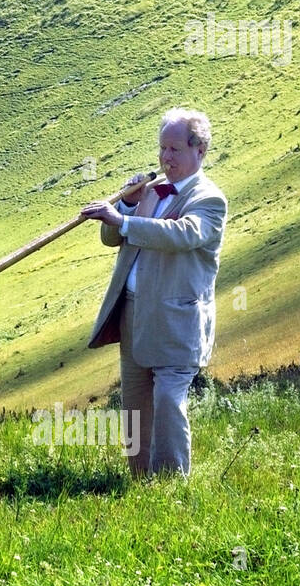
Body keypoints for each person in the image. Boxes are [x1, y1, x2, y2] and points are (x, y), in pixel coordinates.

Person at [78, 108, 227, 476]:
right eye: (162, 148)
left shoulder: (209, 199)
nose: (166, 158)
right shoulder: (151, 191)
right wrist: (126, 205)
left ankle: (171, 483)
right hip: (133, 314)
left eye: (175, 149)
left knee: (167, 401)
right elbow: (112, 238)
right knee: (134, 406)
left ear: (200, 150)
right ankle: (140, 480)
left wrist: (126, 220)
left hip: (177, 320)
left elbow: (182, 235)